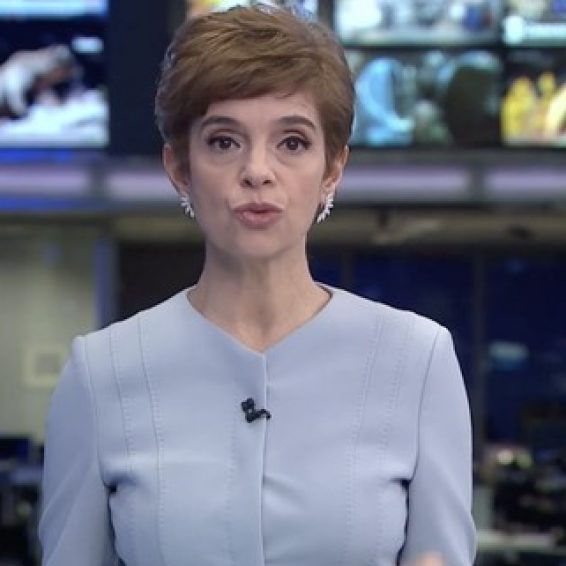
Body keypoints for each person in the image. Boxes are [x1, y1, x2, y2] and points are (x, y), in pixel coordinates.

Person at [38, 5, 476, 566]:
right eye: (224, 142)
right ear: (179, 167)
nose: (258, 171)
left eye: (292, 142)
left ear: (332, 169)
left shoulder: (416, 362)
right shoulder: (100, 375)